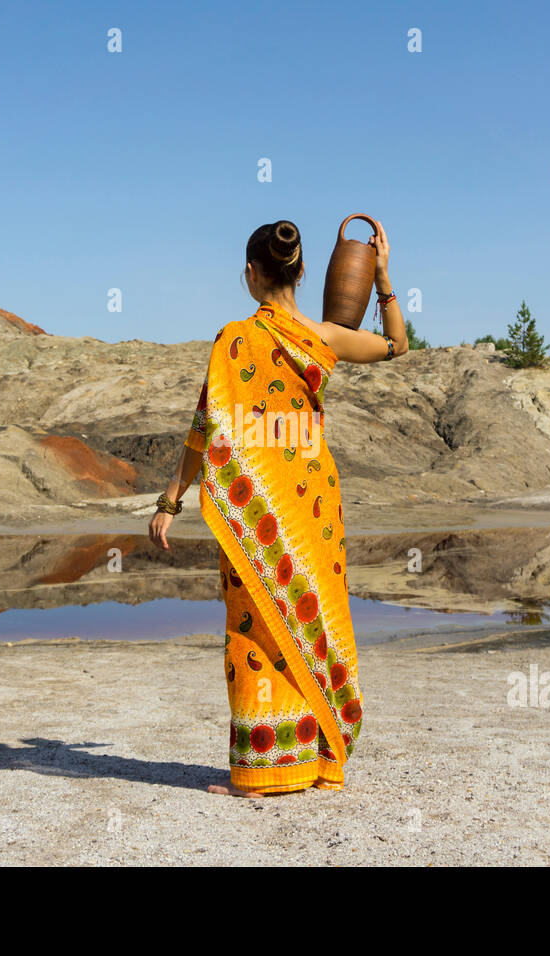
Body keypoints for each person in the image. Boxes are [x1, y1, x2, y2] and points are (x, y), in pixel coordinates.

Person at [148, 218, 408, 796]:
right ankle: (318, 759)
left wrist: (171, 500)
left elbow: (207, 428)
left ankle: (260, 772)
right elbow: (396, 344)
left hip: (259, 502)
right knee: (311, 618)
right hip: (314, 500)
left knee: (256, 625)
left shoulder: (234, 340)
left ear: (250, 273)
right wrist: (384, 277)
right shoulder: (324, 336)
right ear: (303, 272)